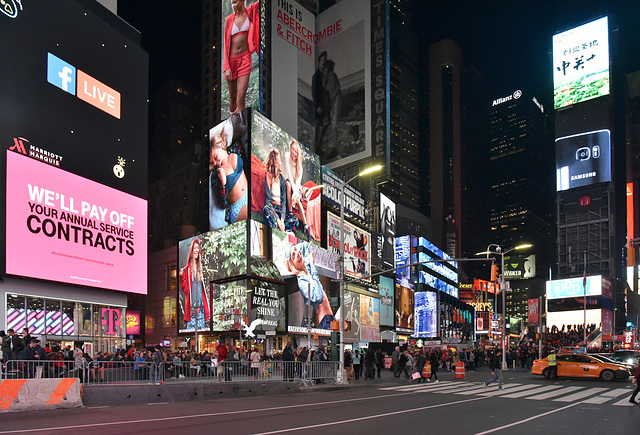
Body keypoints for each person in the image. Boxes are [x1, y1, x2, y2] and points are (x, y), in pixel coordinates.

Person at [285, 241, 334, 330]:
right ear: (292, 265)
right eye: (293, 255)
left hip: (331, 318)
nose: (298, 254)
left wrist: (296, 248)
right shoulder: (302, 282)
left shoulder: (307, 271)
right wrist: (312, 264)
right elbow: (318, 297)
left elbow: (305, 245)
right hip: (325, 322)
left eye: (296, 250)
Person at [223, 0, 260, 115]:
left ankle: (241, 127)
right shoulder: (229, 20)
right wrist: (227, 67)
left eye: (235, 2)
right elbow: (225, 44)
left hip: (245, 59)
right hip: (232, 61)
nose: (233, 5)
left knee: (241, 97)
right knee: (233, 98)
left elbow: (260, 3)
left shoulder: (250, 12)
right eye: (232, 3)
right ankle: (232, 123)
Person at [209, 121, 248, 228]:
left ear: (220, 146)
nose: (216, 163)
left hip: (248, 194)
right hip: (237, 207)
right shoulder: (216, 175)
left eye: (215, 157)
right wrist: (223, 183)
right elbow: (223, 204)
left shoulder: (234, 149)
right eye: (213, 162)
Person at [263, 148, 299, 233]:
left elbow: (283, 202)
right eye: (279, 161)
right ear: (275, 162)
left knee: (295, 220)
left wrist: (282, 219)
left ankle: (280, 227)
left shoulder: (282, 180)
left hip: (280, 210)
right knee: (266, 209)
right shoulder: (269, 175)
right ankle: (279, 227)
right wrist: (277, 219)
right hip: (272, 208)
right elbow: (268, 200)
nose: (281, 163)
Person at [179, 238, 211, 328]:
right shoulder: (187, 268)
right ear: (191, 250)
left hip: (201, 308)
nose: (196, 250)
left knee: (201, 330)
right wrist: (182, 277)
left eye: (198, 248)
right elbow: (186, 291)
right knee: (192, 332)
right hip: (192, 308)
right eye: (194, 248)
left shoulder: (202, 268)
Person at [284, 139, 310, 240]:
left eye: (296, 151)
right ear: (290, 149)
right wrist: (293, 191)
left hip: (297, 185)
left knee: (299, 201)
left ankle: (306, 227)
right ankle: (290, 215)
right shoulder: (287, 155)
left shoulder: (300, 165)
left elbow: (298, 181)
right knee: (288, 185)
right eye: (292, 149)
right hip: (289, 182)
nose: (294, 153)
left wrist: (296, 193)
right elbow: (289, 175)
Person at [322, 59, 342, 159]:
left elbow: (332, 89)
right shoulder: (329, 76)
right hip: (334, 100)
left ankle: (334, 148)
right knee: (334, 124)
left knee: (334, 125)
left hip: (336, 99)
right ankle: (353, 128)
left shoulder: (331, 75)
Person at [312, 50, 328, 152]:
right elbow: (314, 92)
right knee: (318, 126)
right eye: (322, 59)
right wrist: (317, 106)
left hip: (325, 105)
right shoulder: (316, 76)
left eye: (325, 59)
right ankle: (316, 148)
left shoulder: (325, 74)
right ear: (319, 61)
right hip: (319, 106)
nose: (323, 61)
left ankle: (318, 146)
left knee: (325, 125)